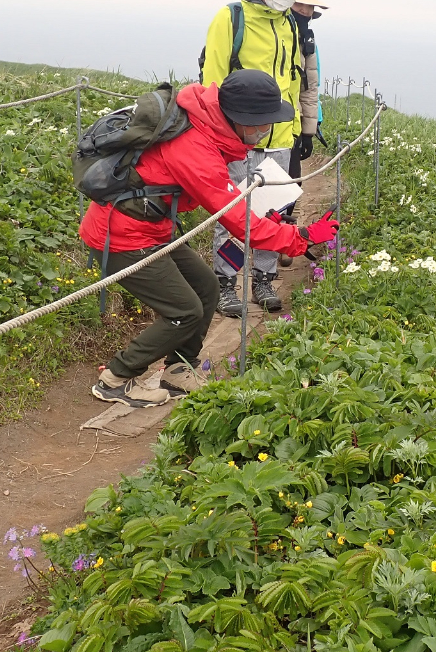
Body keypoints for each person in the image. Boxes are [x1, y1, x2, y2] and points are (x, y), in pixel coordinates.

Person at [80, 70, 339, 407]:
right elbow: (235, 219)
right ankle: (115, 378)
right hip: (122, 236)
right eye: (261, 123)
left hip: (153, 229)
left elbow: (225, 200)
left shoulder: (206, 123)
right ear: (238, 119)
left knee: (206, 287)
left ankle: (178, 369)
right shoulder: (194, 147)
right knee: (184, 311)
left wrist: (267, 218)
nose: (265, 131)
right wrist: (300, 238)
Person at [201, 0, 305, 318]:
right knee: (235, 213)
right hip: (236, 138)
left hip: (279, 139)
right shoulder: (231, 18)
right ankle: (225, 283)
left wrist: (295, 133)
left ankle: (264, 278)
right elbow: (211, 81)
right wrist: (217, 138)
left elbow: (293, 80)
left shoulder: (289, 23)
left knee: (272, 214)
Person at [280, 0, 327, 265]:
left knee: (292, 182)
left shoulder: (309, 41)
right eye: (301, 4)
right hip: (258, 124)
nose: (306, 11)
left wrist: (310, 129)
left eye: (310, 7)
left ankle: (281, 242)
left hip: (293, 125)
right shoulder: (273, 33)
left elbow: (311, 87)